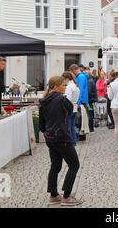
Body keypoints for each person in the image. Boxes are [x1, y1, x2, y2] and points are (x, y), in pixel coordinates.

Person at [39, 76, 81, 206]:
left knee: (55, 166)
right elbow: (70, 110)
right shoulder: (61, 99)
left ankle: (53, 195)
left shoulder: (44, 101)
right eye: (63, 85)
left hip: (50, 138)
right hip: (61, 137)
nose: (65, 87)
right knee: (74, 164)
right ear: (55, 87)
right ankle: (67, 196)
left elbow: (41, 125)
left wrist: (48, 132)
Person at [69, 64, 89, 133]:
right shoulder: (81, 76)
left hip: (81, 101)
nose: (72, 74)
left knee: (79, 121)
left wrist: (79, 101)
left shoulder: (81, 77)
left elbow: (80, 90)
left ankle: (80, 135)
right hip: (82, 101)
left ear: (74, 70)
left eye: (71, 72)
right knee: (80, 120)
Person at [62, 72, 79, 146]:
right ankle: (73, 142)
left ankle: (70, 143)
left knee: (68, 127)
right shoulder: (75, 85)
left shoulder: (69, 87)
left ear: (67, 79)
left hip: (69, 108)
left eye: (63, 79)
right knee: (72, 126)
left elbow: (67, 99)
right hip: (74, 107)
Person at [85, 67, 98, 133]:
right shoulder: (91, 80)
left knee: (90, 114)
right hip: (91, 100)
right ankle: (91, 128)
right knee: (91, 114)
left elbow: (88, 92)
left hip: (89, 101)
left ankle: (91, 129)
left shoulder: (89, 81)